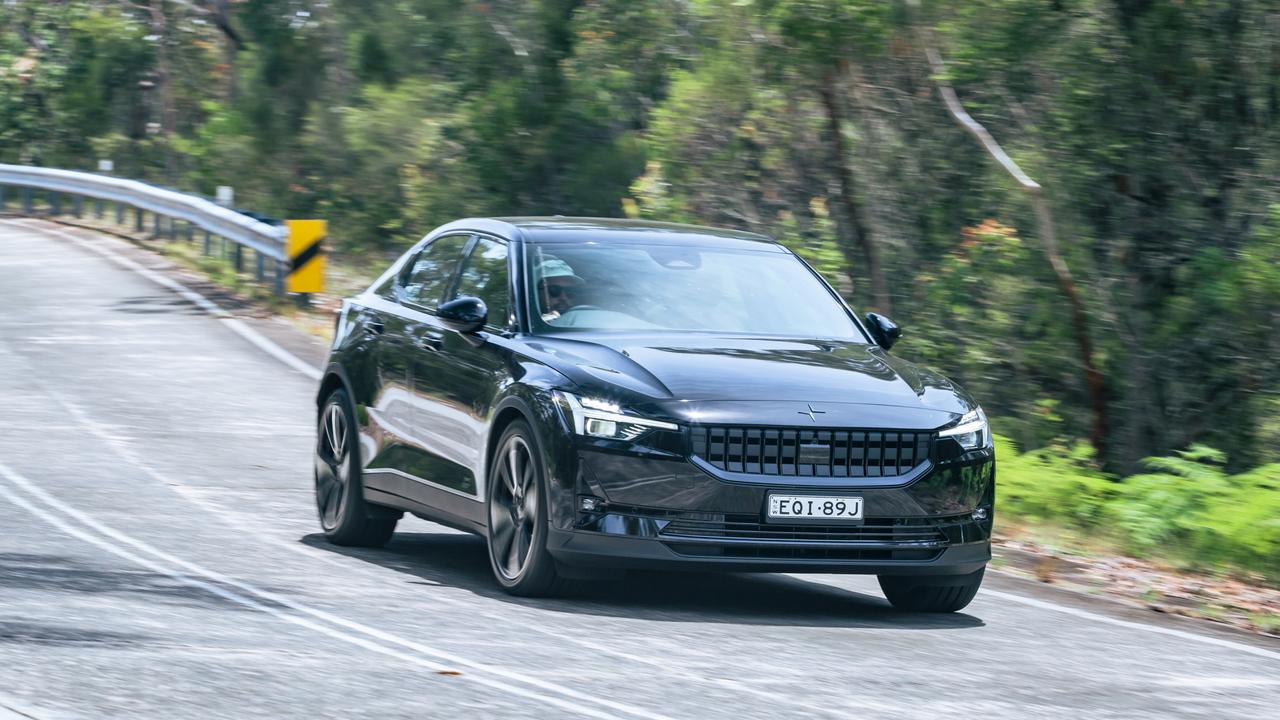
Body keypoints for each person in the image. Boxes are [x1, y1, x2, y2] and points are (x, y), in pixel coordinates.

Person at [536, 256, 585, 321]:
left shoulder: (585, 322)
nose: (564, 298)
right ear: (536, 293)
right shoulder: (523, 323)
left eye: (569, 291)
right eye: (554, 290)